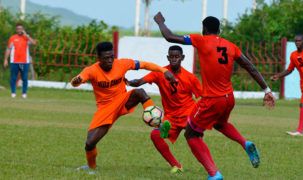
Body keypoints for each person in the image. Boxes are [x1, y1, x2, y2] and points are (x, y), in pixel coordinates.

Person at [154, 12, 275, 179]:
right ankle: (245, 143)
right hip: (229, 98)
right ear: (219, 30)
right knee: (220, 123)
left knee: (191, 134)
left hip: (212, 99)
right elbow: (251, 67)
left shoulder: (201, 40)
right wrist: (267, 90)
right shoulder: (231, 46)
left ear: (204, 29)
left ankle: (214, 173)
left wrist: (160, 22)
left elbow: (169, 37)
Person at [71, 41, 176, 174]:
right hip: (105, 109)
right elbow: (78, 80)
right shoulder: (91, 70)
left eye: (111, 57)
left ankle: (158, 124)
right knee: (89, 143)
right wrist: (76, 81)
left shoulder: (122, 63)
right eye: (106, 58)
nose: (110, 61)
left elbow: (145, 64)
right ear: (98, 58)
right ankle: (91, 168)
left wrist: (164, 71)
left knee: (139, 92)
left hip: (122, 100)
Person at [127, 45, 202, 174]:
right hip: (171, 116)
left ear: (182, 58)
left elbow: (202, 97)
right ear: (168, 57)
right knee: (155, 135)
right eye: (171, 57)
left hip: (188, 113)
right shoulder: (160, 73)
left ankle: (210, 168)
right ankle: (176, 165)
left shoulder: (190, 78)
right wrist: (127, 82)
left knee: (195, 140)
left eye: (177, 57)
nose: (174, 59)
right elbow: (140, 82)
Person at [3, 23, 37, 98]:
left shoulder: (26, 38)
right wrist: (5, 59)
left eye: (21, 29)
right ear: (16, 30)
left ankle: (24, 93)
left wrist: (27, 35)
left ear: (23, 29)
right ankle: (13, 93)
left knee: (24, 78)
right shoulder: (12, 38)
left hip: (25, 62)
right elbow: (8, 49)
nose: (19, 30)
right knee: (13, 77)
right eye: (18, 29)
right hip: (14, 61)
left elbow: (34, 43)